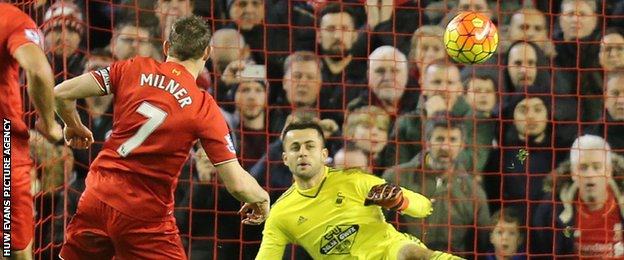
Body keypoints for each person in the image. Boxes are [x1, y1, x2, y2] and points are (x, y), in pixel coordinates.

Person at [53, 16, 270, 259]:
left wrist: (73, 125)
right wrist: (262, 197)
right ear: (206, 53)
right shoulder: (202, 106)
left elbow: (60, 93)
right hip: (145, 217)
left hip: (97, 196)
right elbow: (236, 184)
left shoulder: (132, 68)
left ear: (167, 47)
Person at [255, 121, 462, 260]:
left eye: (310, 146)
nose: (302, 153)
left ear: (323, 154)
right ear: (284, 158)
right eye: (295, 147)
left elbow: (424, 207)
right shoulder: (280, 213)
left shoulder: (355, 180)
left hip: (390, 250)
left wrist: (400, 201)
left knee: (413, 254)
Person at [0, 3, 63, 259]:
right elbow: (38, 70)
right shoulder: (13, 19)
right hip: (5, 147)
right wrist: (49, 124)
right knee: (14, 247)